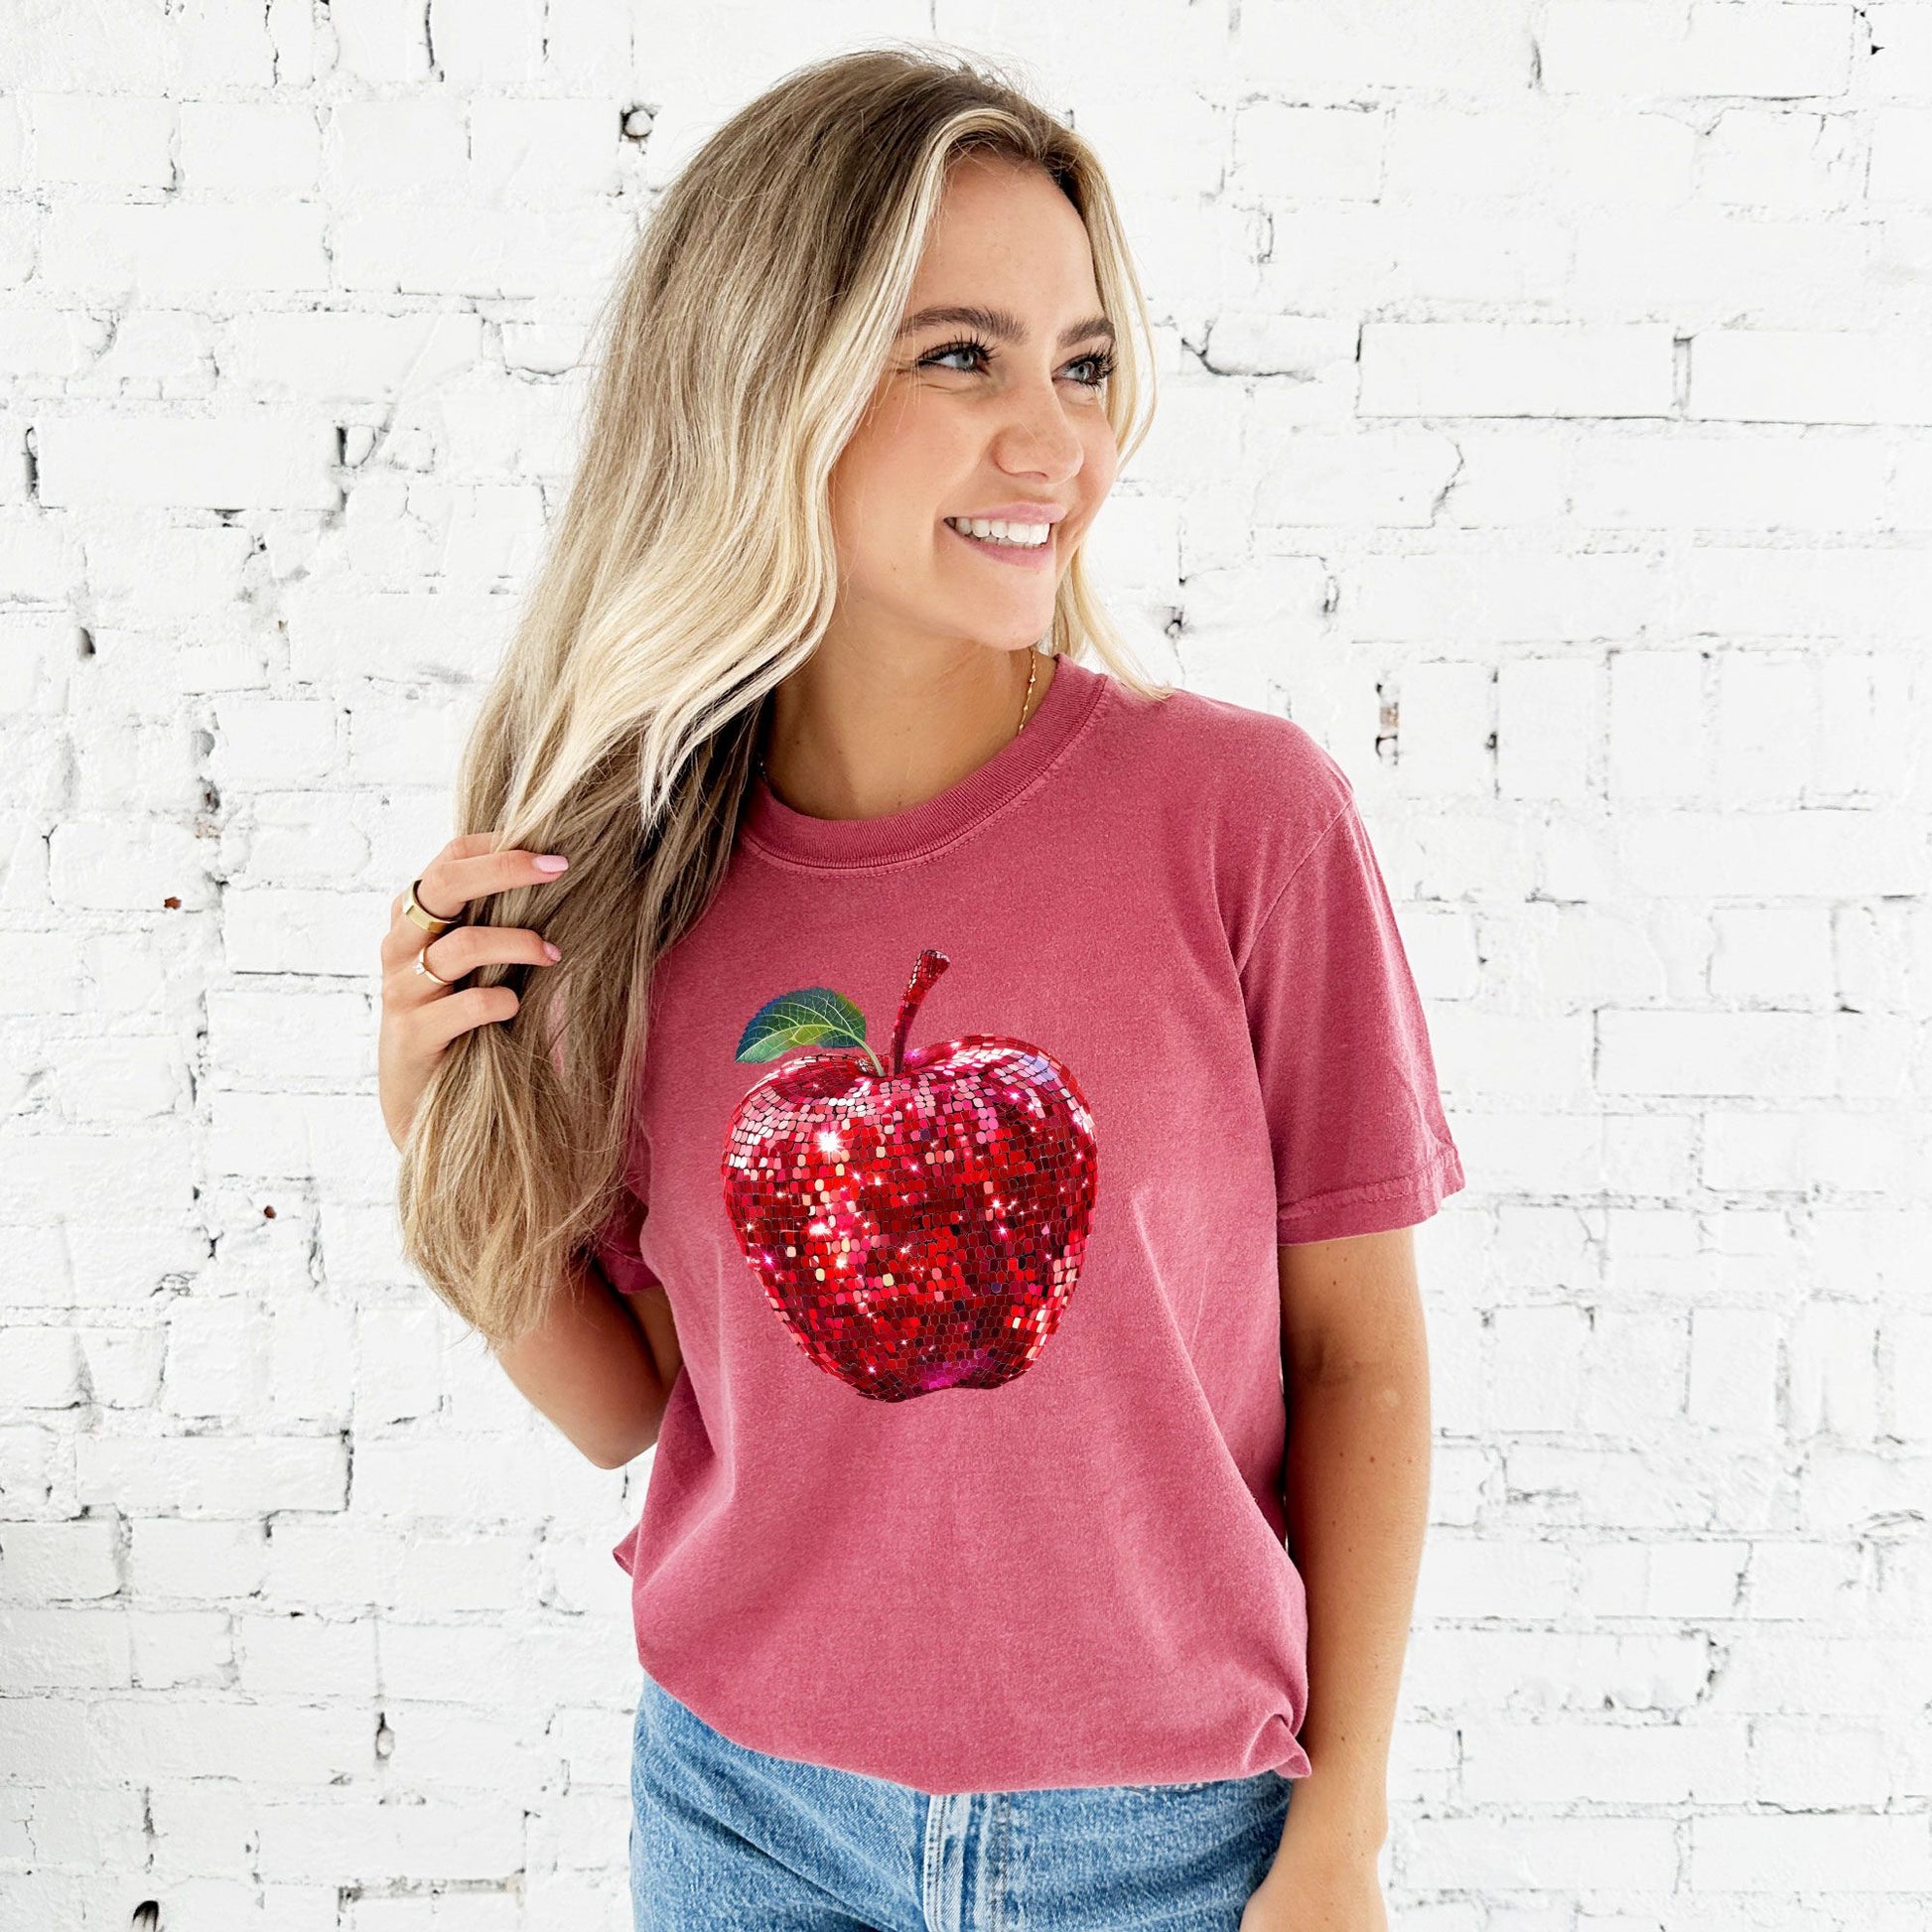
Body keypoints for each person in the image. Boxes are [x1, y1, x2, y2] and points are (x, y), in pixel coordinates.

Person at [376, 43, 1464, 1932]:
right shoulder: (630, 877)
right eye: (961, 355)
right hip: (746, 1814)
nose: (1054, 442)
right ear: (762, 381)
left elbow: (1355, 1352)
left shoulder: (1242, 818)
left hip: (1175, 1840)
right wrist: (433, 1125)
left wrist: (1344, 1829)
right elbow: (628, 1408)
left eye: (1084, 365)